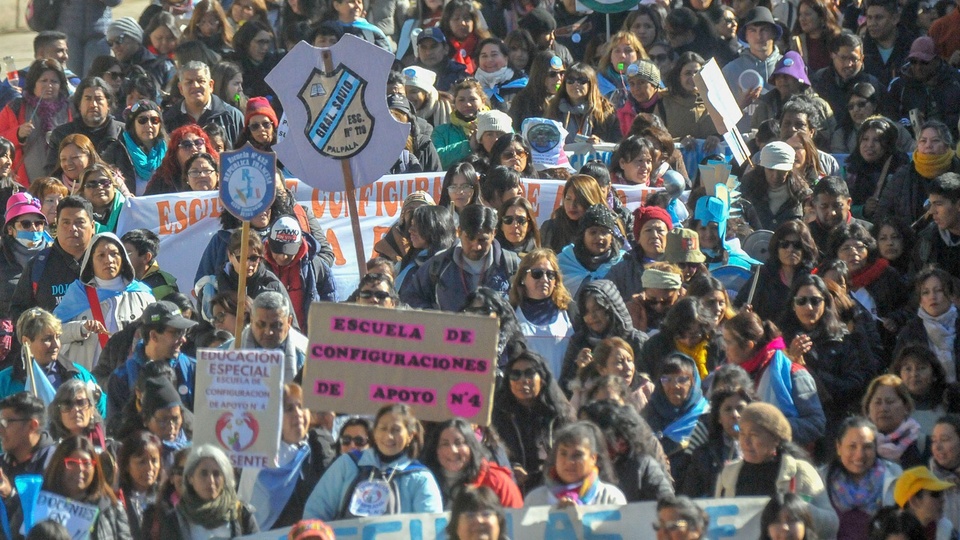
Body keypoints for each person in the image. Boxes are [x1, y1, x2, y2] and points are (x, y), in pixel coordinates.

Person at [715, 402, 839, 538]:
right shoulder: (729, 474)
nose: (745, 441)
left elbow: (832, 523)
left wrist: (798, 510)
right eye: (742, 433)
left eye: (753, 435)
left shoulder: (799, 471)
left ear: (775, 439)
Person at [303, 403, 442, 520]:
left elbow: (430, 529)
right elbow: (315, 513)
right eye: (383, 428)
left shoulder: (421, 478)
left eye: (396, 430)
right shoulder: (347, 464)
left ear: (410, 436)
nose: (389, 436)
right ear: (374, 433)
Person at [779, 274, 873, 442]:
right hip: (793, 424)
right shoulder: (781, 340)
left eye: (815, 301)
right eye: (802, 301)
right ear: (793, 305)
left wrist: (809, 372)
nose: (809, 307)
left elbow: (855, 385)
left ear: (825, 303)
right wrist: (790, 361)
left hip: (834, 423)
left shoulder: (841, 338)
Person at [238, 383, 336, 530]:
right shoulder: (258, 460)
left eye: (301, 406)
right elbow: (242, 509)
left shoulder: (321, 447)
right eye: (289, 409)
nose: (298, 413)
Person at [720, 310, 826, 446]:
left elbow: (816, 424)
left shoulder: (792, 373)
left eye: (729, 342)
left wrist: (771, 427)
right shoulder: (727, 377)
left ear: (748, 346)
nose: (724, 348)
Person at [53, 232, 154, 371]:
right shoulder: (77, 293)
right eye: (101, 255)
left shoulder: (142, 295)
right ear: (91, 262)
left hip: (127, 379)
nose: (109, 260)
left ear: (123, 258)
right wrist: (80, 328)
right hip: (87, 379)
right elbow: (53, 332)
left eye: (114, 254)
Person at [401, 205, 519, 312]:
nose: (476, 246)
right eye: (469, 238)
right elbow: (411, 297)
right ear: (459, 232)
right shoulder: (439, 264)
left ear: (494, 233)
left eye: (482, 240)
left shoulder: (511, 265)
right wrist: (434, 317)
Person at [491, 349, 573, 494]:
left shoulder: (560, 416)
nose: (522, 380)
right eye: (515, 375)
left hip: (554, 490)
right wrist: (511, 467)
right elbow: (491, 453)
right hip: (511, 491)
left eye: (529, 373)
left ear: (542, 379)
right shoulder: (497, 415)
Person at [9, 196, 95, 323]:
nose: (72, 228)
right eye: (66, 222)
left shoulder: (107, 260)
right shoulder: (38, 265)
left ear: (92, 227)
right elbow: (19, 310)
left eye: (79, 222)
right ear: (57, 225)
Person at [105, 300, 197, 418]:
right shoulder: (122, 377)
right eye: (176, 333)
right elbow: (115, 430)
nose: (183, 339)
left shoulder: (194, 370)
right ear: (153, 335)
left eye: (183, 332)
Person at [820, 416, 902, 539]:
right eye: (852, 446)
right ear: (839, 447)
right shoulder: (819, 479)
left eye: (867, 447)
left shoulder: (894, 476)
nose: (860, 455)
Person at [153, 444, 258, 538]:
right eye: (203, 473)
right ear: (190, 478)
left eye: (216, 474)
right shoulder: (174, 520)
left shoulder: (242, 514)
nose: (210, 480)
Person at [40, 436, 132, 539]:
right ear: (58, 465)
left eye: (87, 463)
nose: (80, 469)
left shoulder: (111, 506)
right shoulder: (36, 502)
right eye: (71, 463)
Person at [421, 417, 522, 509]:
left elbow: (516, 520)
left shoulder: (497, 481)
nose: (452, 450)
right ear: (436, 449)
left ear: (471, 446)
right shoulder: (422, 482)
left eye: (459, 443)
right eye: (445, 444)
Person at [0, 59, 70, 186]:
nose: (49, 85)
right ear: (33, 83)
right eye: (43, 80)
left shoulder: (71, 108)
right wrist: (17, 134)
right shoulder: (15, 107)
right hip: (25, 183)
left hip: (64, 183)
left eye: (54, 81)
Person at [524, 421, 627, 507]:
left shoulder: (610, 497)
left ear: (593, 458)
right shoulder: (535, 499)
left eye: (577, 455)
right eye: (563, 453)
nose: (569, 461)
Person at [509, 248, 576, 378]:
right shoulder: (511, 312)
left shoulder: (570, 311)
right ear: (523, 278)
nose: (544, 279)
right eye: (537, 273)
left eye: (550, 274)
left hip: (562, 394)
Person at [643, 353, 709, 480]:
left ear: (693, 382)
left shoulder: (706, 417)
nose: (674, 386)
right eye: (666, 379)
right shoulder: (648, 415)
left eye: (682, 379)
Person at [679, 385, 754, 497]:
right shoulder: (703, 456)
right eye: (728, 409)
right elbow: (690, 498)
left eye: (740, 409)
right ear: (719, 418)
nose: (735, 415)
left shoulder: (765, 449)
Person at [47, 78, 125, 177]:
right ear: (79, 104)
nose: (93, 105)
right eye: (88, 99)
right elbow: (52, 175)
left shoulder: (124, 133)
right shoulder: (61, 135)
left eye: (98, 99)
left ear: (108, 104)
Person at [886, 37, 960, 138]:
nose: (918, 67)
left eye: (924, 62)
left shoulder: (956, 80)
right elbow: (888, 120)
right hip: (911, 146)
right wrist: (911, 123)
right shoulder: (898, 85)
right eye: (913, 61)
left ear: (937, 60)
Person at [722, 7, 783, 129]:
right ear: (746, 36)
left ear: (774, 33)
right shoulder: (730, 70)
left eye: (764, 30)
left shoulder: (786, 67)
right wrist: (740, 105)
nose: (759, 36)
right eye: (753, 31)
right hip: (743, 142)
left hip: (780, 141)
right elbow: (719, 118)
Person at [226, 292, 307, 383]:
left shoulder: (306, 354)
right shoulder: (228, 352)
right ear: (252, 320)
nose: (268, 332)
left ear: (289, 322)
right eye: (261, 324)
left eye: (276, 325)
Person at [896, 267, 960, 383]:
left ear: (951, 295)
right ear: (920, 300)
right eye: (926, 292)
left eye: (939, 290)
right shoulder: (909, 333)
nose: (932, 297)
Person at [162, 61, 244, 149]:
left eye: (201, 81)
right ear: (181, 88)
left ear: (211, 85)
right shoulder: (168, 118)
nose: (195, 86)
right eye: (189, 82)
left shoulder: (232, 116)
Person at [843, 116, 911, 220]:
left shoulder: (901, 168)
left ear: (888, 144)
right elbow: (839, 206)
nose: (869, 145)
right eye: (865, 139)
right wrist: (863, 210)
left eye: (877, 140)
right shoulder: (849, 170)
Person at [606, 205, 674, 303]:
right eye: (648, 230)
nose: (654, 235)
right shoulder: (622, 271)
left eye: (660, 230)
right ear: (638, 238)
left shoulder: (681, 265)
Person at [557, 203, 625, 299]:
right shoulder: (563, 262)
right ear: (583, 235)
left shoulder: (623, 263)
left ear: (612, 237)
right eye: (593, 232)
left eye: (605, 232)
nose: (599, 237)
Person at [740, 141, 811, 230]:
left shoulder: (802, 195)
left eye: (781, 171)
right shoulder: (747, 190)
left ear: (790, 169)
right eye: (770, 170)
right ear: (763, 167)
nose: (775, 176)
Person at [810, 32, 880, 120]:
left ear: (862, 59)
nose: (848, 64)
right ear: (833, 55)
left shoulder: (872, 83)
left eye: (853, 59)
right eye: (843, 58)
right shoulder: (819, 79)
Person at [546, 62, 621, 144]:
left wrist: (600, 143)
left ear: (591, 84)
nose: (575, 84)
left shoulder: (607, 111)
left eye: (582, 80)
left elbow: (616, 144)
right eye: (570, 80)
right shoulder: (554, 108)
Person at [864, 374, 925, 469]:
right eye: (878, 402)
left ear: (906, 407)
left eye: (890, 402)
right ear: (868, 409)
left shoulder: (922, 444)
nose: (883, 408)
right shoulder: (860, 444)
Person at [144, 125, 218, 196]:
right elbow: (145, 205)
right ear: (175, 152)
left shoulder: (222, 174)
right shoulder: (162, 181)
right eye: (186, 145)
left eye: (198, 142)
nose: (194, 149)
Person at [539, 174, 606, 254]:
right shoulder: (550, 228)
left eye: (579, 200)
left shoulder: (605, 228)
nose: (572, 206)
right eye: (568, 199)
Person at [433, 78, 489, 169]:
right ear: (454, 103)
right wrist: (468, 146)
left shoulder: (498, 124)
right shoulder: (441, 131)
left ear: (483, 101)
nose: (467, 104)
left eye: (472, 99)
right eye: (461, 100)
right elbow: (436, 159)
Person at [862, 0, 918, 89]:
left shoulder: (913, 48)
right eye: (869, 18)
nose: (872, 23)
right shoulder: (860, 50)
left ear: (895, 18)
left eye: (878, 18)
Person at [117, 431, 163, 539]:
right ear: (127, 465)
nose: (150, 468)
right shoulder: (117, 498)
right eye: (142, 462)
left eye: (154, 461)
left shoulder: (165, 497)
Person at [913, 173, 960, 276]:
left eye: (939, 204)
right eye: (930, 204)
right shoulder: (926, 241)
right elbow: (915, 284)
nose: (932, 211)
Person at [117, 100, 166, 196]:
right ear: (132, 124)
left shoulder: (170, 151)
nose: (149, 125)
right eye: (142, 120)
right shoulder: (117, 151)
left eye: (154, 120)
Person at [893, 466, 956, 539]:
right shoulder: (888, 534)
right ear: (914, 501)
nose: (943, 499)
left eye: (942, 494)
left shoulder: (946, 531)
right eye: (936, 494)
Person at [509, 53, 564, 130]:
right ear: (539, 75)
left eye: (562, 73)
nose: (559, 78)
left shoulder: (565, 98)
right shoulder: (522, 100)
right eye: (552, 74)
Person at [121, 229, 178, 302]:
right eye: (119, 252)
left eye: (127, 253)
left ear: (146, 257)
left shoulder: (162, 287)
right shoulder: (118, 281)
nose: (121, 258)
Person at [78, 164, 125, 235]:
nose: (99, 187)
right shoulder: (75, 216)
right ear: (83, 191)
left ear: (114, 186)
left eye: (105, 182)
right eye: (92, 184)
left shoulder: (129, 210)